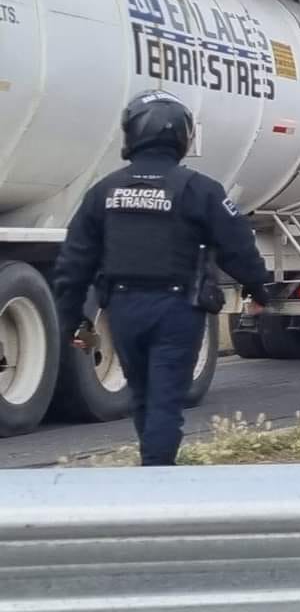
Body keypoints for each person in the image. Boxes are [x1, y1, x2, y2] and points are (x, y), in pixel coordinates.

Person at [53, 90, 272, 466]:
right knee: (165, 400)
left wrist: (72, 317)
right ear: (182, 137)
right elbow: (237, 245)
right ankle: (157, 479)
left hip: (122, 310)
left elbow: (74, 260)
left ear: (133, 134)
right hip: (177, 310)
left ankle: (151, 468)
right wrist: (259, 289)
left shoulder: (104, 191)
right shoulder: (199, 190)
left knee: (142, 397)